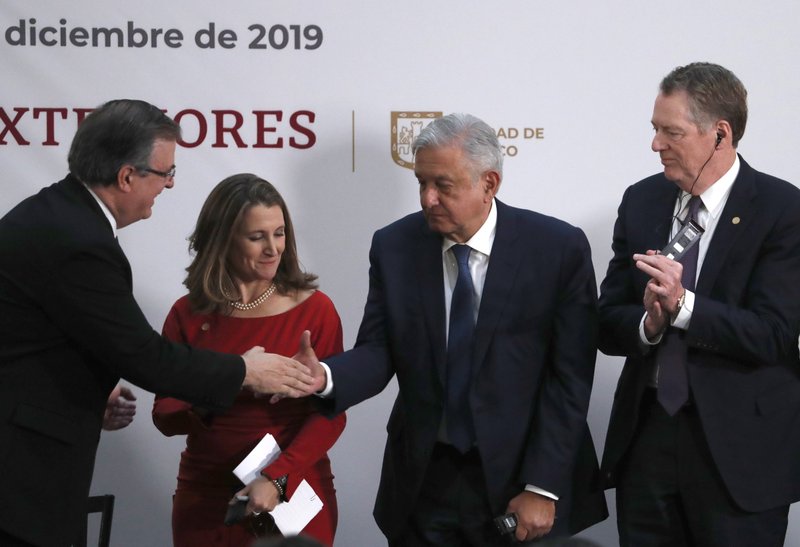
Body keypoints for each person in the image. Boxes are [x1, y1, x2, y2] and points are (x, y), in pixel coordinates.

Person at [0, 100, 316, 547]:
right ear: (128, 176)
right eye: (165, 173)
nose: (168, 185)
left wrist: (90, 386)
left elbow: (46, 338)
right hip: (20, 478)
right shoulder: (79, 241)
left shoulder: (57, 217)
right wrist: (246, 371)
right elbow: (145, 359)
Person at [296, 113, 608, 545]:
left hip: (523, 480)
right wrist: (326, 376)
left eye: (443, 185)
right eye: (421, 183)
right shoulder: (394, 246)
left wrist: (541, 486)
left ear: (489, 183)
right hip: (426, 482)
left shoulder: (556, 249)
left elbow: (569, 378)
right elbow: (380, 350)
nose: (427, 199)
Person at [599, 62, 800, 546]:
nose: (655, 145)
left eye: (672, 132)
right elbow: (605, 322)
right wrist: (648, 323)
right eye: (655, 129)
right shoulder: (641, 200)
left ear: (720, 134)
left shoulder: (782, 209)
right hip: (646, 445)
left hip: (739, 457)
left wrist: (683, 305)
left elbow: (773, 334)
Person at [153, 174, 345, 547]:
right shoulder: (186, 314)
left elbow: (332, 414)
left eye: (279, 233)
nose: (273, 248)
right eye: (257, 237)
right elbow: (165, 415)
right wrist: (233, 379)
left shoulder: (316, 311)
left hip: (292, 491)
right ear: (222, 239)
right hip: (208, 498)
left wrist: (277, 477)